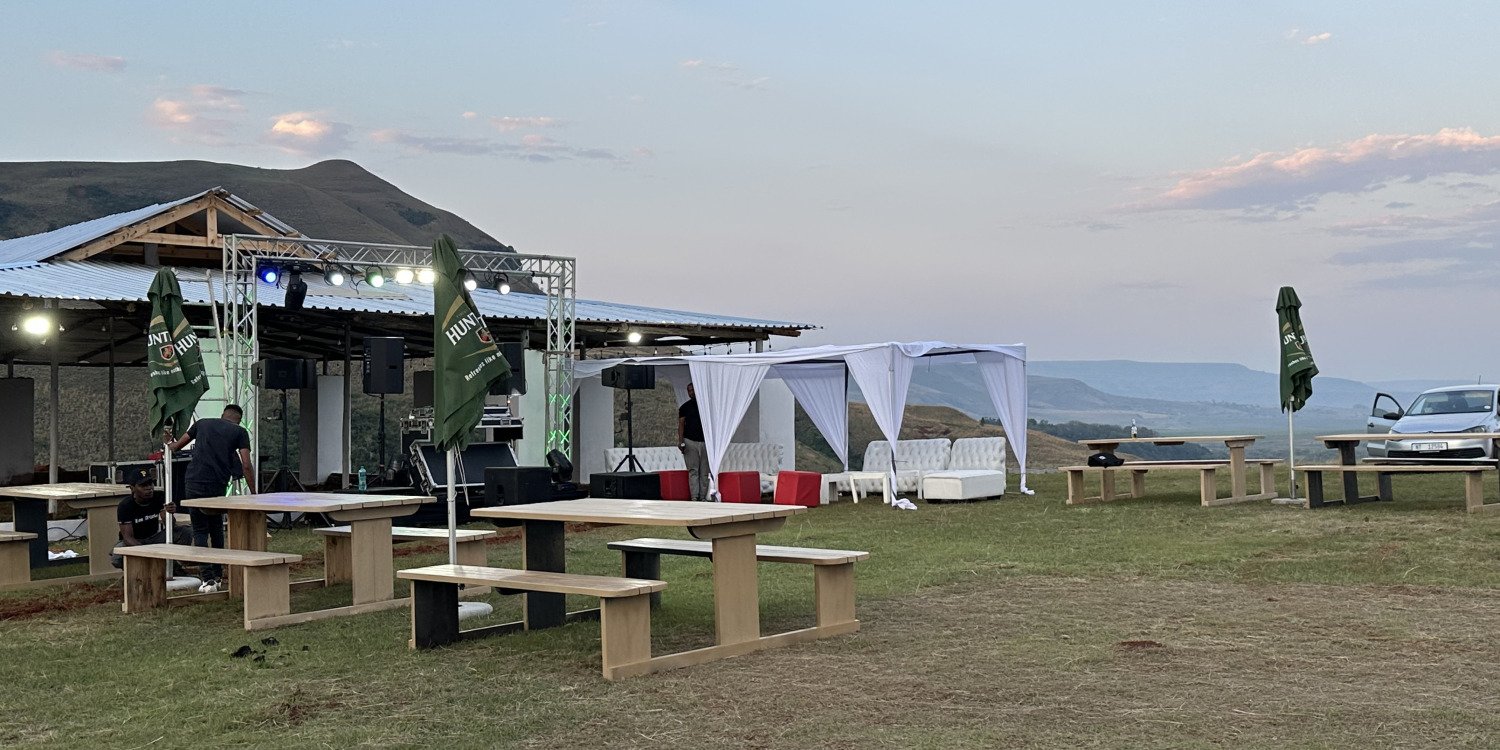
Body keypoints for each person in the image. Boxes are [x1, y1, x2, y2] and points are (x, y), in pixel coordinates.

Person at [165, 404, 256, 592]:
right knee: (216, 528)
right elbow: (246, 464)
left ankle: (207, 579)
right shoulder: (239, 432)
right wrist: (254, 492)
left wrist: (168, 442)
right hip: (217, 484)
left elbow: (177, 446)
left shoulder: (202, 423)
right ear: (238, 420)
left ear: (223, 415)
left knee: (200, 530)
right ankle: (217, 575)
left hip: (194, 482)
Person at [109, 467, 190, 569]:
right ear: (132, 488)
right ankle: (134, 571)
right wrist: (148, 552)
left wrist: (170, 513)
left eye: (150, 484)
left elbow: (171, 527)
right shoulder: (125, 505)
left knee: (185, 531)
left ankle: (177, 565)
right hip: (135, 541)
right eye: (143, 485)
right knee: (116, 557)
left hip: (154, 538)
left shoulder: (159, 496)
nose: (149, 488)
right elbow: (128, 538)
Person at [677, 383, 709, 501]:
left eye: (692, 390)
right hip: (690, 440)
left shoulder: (706, 406)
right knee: (693, 470)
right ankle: (694, 496)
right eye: (689, 391)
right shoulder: (684, 407)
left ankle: (703, 496)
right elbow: (681, 424)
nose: (691, 393)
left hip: (705, 441)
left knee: (704, 471)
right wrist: (681, 441)